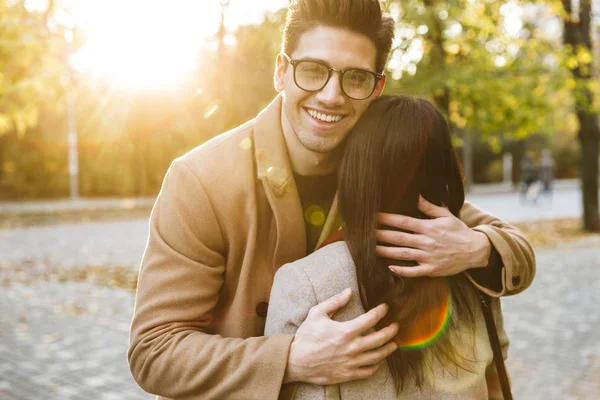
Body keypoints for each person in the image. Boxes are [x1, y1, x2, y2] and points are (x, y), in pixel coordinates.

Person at [128, 1, 535, 399]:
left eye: (354, 78)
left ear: (377, 87)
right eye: (312, 71)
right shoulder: (199, 180)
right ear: (281, 72)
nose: (330, 96)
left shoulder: (378, 164)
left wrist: (475, 248)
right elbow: (154, 350)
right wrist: (289, 359)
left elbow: (512, 247)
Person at [266, 95, 511, 399]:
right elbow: (496, 378)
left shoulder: (303, 283)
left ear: (354, 169)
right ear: (447, 168)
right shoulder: (471, 264)